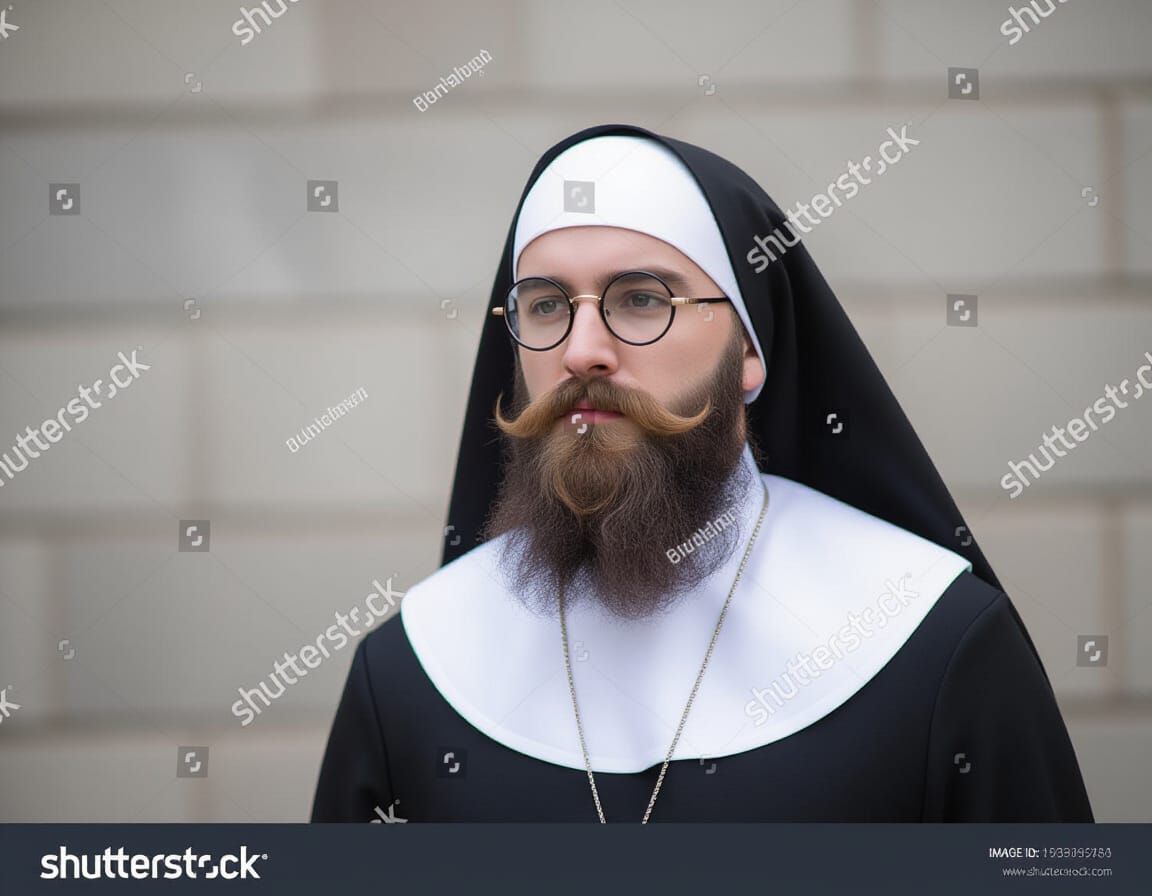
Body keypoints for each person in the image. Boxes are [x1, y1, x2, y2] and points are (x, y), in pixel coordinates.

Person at [311, 124, 1093, 823]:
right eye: (546, 305)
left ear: (749, 348)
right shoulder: (412, 665)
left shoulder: (933, 639)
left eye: (641, 299)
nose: (582, 351)